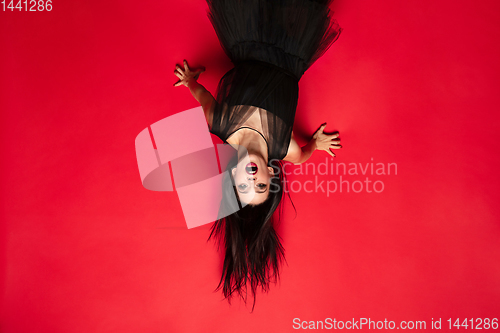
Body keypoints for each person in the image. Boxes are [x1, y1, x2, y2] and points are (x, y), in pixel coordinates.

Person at [173, 0, 343, 310]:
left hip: (247, 38)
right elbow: (303, 155)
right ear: (273, 176)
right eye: (261, 187)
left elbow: (203, 97)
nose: (252, 180)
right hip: (290, 50)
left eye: (243, 187)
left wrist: (190, 80)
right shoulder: (285, 148)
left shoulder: (219, 122)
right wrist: (316, 145)